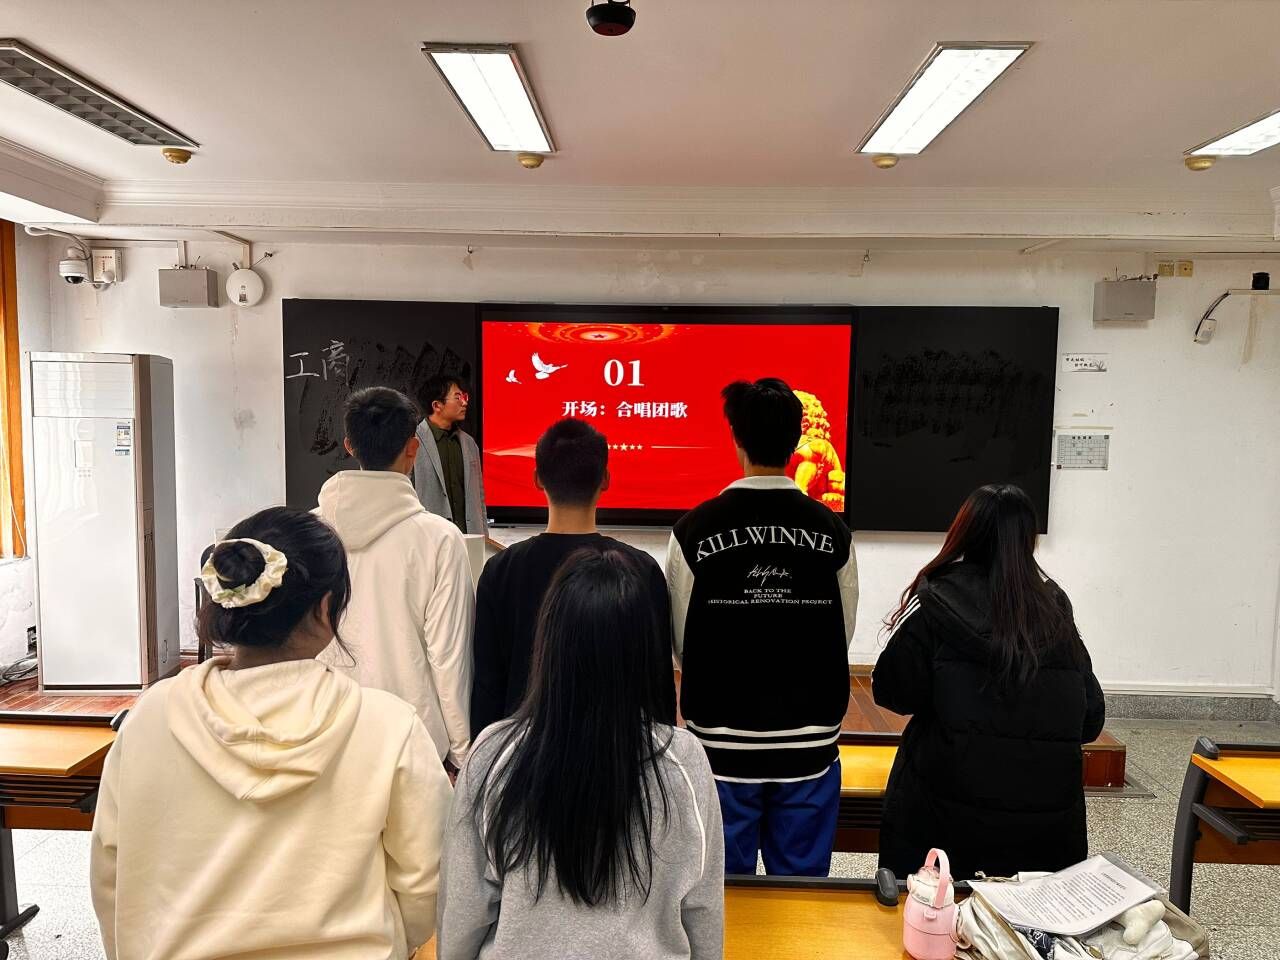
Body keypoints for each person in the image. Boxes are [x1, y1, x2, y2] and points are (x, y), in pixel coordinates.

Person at [90, 507, 451, 960]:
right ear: (325, 609)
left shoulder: (151, 718)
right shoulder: (389, 727)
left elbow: (111, 874)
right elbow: (428, 886)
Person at [439, 548, 723, 960]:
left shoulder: (492, 756)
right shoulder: (684, 760)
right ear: (644, 651)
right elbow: (703, 911)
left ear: (547, 642)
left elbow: (462, 914)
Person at [667, 378, 858, 877]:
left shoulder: (693, 529)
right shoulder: (833, 531)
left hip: (720, 743)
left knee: (719, 892)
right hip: (809, 742)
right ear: (795, 442)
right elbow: (842, 630)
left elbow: (682, 640)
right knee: (801, 890)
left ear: (736, 438)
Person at [872, 483, 1105, 881]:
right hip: (1043, 848)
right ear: (1028, 540)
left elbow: (891, 691)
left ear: (964, 533)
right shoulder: (1056, 616)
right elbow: (1091, 720)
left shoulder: (937, 606)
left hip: (941, 838)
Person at [471, 418, 676, 737]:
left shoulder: (501, 571)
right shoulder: (642, 570)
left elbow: (487, 686)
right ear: (606, 479)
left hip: (524, 753)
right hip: (619, 751)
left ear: (537, 479)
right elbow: (658, 685)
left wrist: (484, 755)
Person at [317, 386, 474, 772]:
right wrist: (461, 752)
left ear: (349, 446)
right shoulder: (440, 538)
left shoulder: (309, 532)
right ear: (413, 448)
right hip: (414, 739)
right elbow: (449, 655)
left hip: (324, 730)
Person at [415, 373, 487, 535]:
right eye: (457, 397)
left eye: (464, 396)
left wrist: (483, 537)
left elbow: (479, 497)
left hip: (469, 537)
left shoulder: (469, 443)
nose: (464, 402)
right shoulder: (413, 441)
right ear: (437, 405)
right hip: (430, 536)